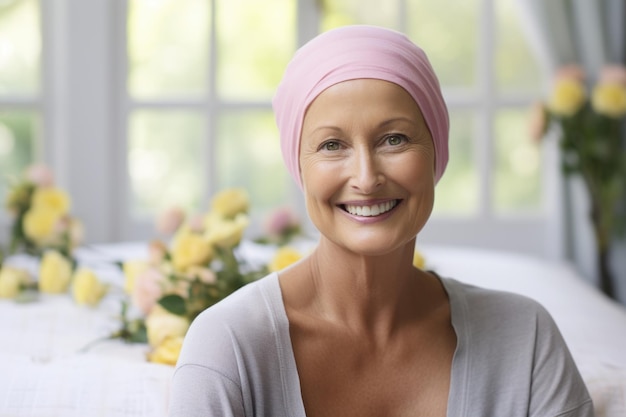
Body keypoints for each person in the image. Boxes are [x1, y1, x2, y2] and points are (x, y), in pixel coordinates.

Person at [169, 25, 593, 416]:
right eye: (332, 145)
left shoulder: (525, 339)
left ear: (436, 154)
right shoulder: (229, 347)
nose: (367, 178)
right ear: (299, 168)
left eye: (395, 139)